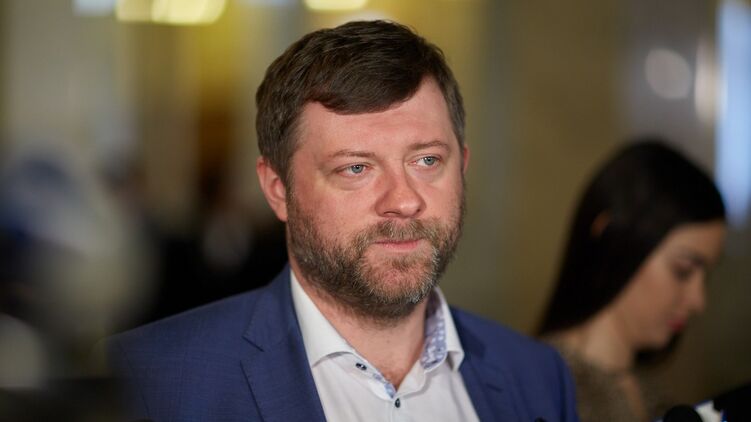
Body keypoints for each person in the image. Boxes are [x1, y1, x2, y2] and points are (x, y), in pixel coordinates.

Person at [108, 20, 579, 422]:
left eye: (427, 161)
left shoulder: (537, 376)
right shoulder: (150, 380)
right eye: (356, 168)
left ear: (463, 167)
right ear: (278, 189)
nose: (404, 201)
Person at [537, 139, 727, 422]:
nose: (698, 300)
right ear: (613, 240)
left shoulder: (654, 396)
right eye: (683, 270)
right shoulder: (539, 389)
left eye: (705, 275)